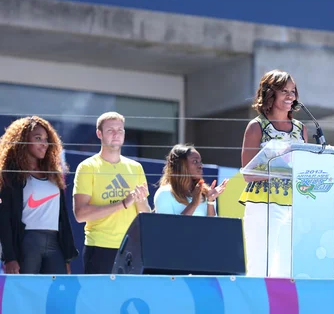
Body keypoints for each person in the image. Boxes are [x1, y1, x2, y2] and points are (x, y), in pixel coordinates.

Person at [239, 69, 309, 278]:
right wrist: (283, 172)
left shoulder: (301, 128)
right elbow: (247, 173)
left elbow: (305, 168)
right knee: (262, 268)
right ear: (270, 94)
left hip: (294, 207)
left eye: (293, 91)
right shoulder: (257, 127)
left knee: (287, 271)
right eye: (284, 91)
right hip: (263, 205)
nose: (290, 96)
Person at [73, 112, 151, 274]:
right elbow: (80, 214)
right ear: (99, 134)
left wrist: (140, 201)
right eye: (110, 130)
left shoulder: (136, 167)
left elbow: (144, 214)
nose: (116, 134)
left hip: (130, 249)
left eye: (120, 130)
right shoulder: (87, 167)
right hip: (100, 247)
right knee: (99, 299)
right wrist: (123, 203)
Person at [0, 116, 78, 274]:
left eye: (46, 139)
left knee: (54, 294)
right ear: (22, 140)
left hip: (55, 244)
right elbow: (4, 218)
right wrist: (10, 257)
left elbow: (62, 217)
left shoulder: (54, 174)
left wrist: (67, 257)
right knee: (26, 294)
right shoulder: (12, 175)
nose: (44, 144)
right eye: (38, 138)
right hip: (27, 243)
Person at [154, 144, 228, 216]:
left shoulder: (206, 193)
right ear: (181, 165)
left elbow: (214, 227)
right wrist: (194, 203)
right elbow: (168, 227)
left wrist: (210, 201)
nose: (200, 166)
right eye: (195, 161)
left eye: (200, 162)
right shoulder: (164, 194)